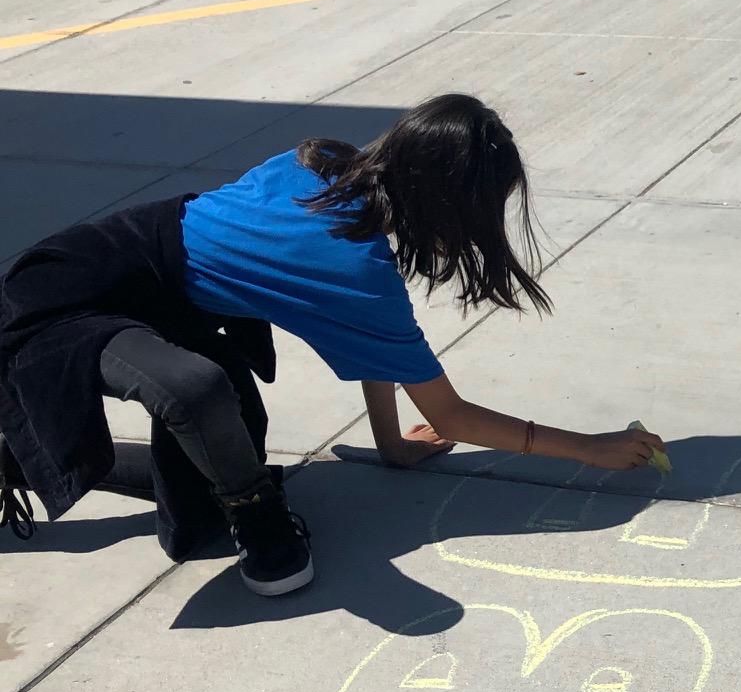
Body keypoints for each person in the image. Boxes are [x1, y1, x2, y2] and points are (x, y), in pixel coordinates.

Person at [0, 94, 664, 597]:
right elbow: (451, 415)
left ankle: (10, 466)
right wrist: (585, 448)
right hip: (70, 298)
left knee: (207, 486)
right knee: (196, 390)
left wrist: (395, 447)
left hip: (158, 297)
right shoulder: (354, 269)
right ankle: (260, 522)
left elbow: (368, 338)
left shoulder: (327, 164)